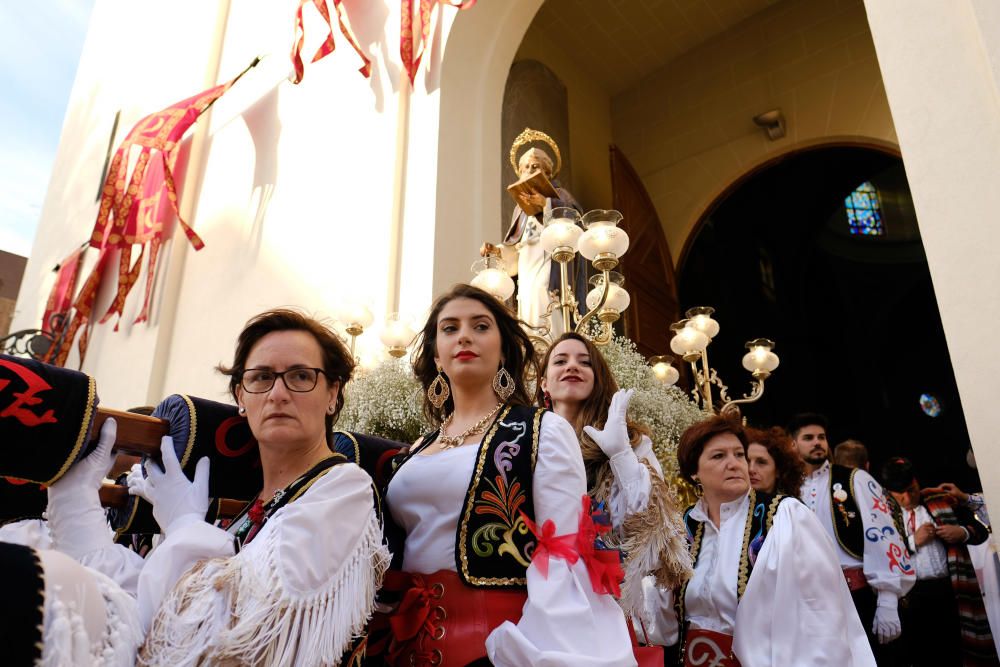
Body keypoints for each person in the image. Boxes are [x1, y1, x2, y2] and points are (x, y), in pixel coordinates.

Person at [49, 309, 391, 665]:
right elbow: (146, 615)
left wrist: (184, 527)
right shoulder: (252, 506)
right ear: (241, 397)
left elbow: (241, 623)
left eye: (301, 376)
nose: (278, 393)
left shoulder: (343, 488)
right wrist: (78, 506)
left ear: (333, 393)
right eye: (260, 378)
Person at [375, 284, 635, 666]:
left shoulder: (541, 431)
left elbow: (560, 554)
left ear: (503, 349)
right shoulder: (415, 450)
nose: (464, 335)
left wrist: (524, 655)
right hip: (407, 644)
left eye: (480, 326)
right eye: (450, 328)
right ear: (436, 353)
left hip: (498, 645)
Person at [670, 415, 874, 666]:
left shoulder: (784, 517)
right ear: (694, 472)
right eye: (719, 456)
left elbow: (819, 615)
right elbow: (663, 620)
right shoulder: (685, 526)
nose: (735, 464)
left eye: (738, 454)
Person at [535, 331, 691, 616]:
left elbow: (658, 534)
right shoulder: (525, 441)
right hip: (536, 591)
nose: (572, 366)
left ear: (597, 379)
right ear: (544, 383)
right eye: (560, 361)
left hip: (604, 601)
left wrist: (621, 456)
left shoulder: (631, 442)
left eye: (585, 362)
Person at [789, 413, 914, 660]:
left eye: (821, 437)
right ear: (793, 445)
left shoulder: (855, 479)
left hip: (860, 597)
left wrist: (888, 600)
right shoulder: (789, 488)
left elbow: (883, 536)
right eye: (808, 438)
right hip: (812, 603)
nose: (817, 442)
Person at [881, 458, 997, 666]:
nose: (907, 498)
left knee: (954, 650)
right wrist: (912, 542)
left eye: (912, 490)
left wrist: (961, 533)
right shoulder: (883, 516)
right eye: (900, 495)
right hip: (910, 596)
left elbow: (980, 531)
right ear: (889, 493)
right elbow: (879, 556)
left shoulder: (939, 500)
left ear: (917, 482)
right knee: (923, 654)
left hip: (948, 589)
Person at [501, 141, 587, 333]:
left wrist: (546, 204)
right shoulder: (519, 209)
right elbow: (514, 243)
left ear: (547, 173)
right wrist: (497, 251)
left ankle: (551, 341)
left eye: (535, 166)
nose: (530, 170)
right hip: (527, 261)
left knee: (543, 291)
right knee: (526, 297)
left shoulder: (560, 195)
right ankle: (532, 343)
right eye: (526, 168)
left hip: (550, 259)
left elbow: (575, 219)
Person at [745, 426, 805, 496]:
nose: (751, 469)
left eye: (761, 462)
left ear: (778, 471)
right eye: (747, 461)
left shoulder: (789, 506)